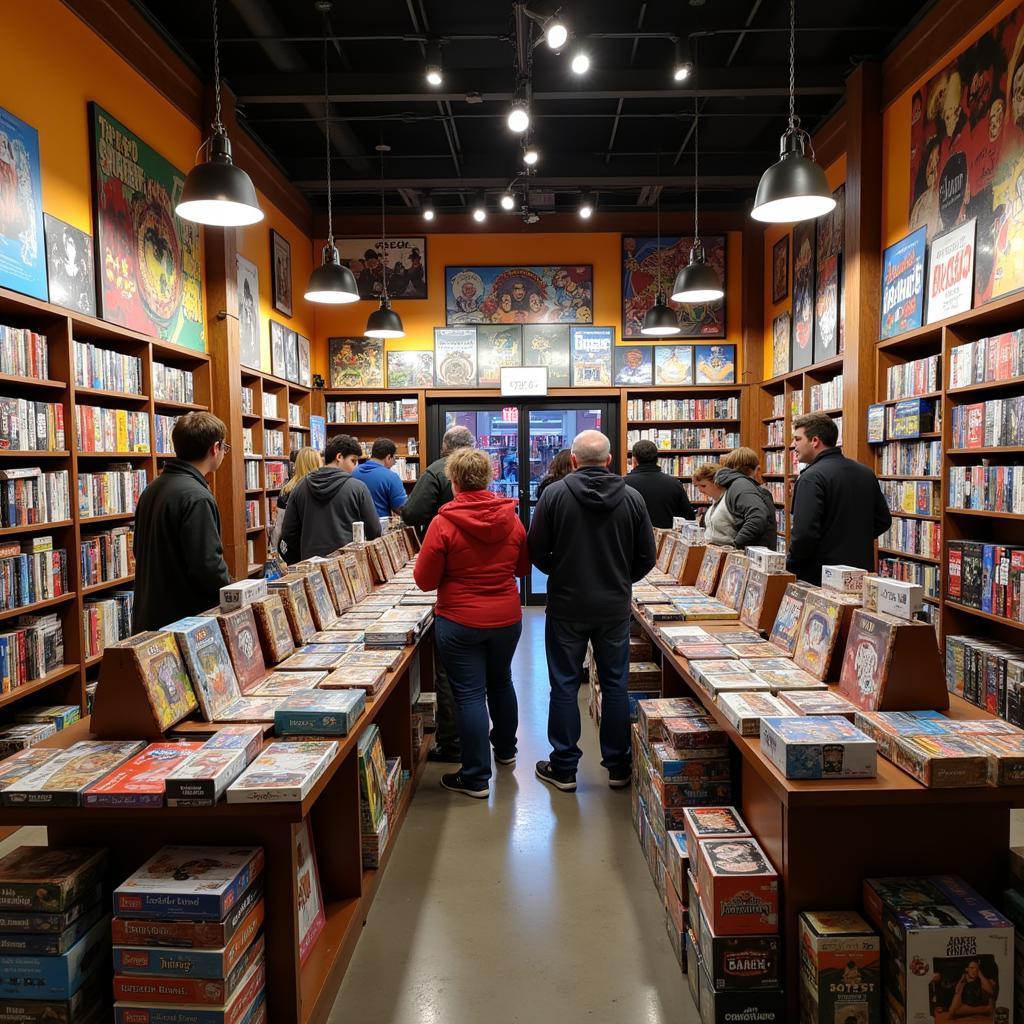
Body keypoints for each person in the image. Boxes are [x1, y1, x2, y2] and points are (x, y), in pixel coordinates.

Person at [528, 430, 656, 792]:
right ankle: (618, 766)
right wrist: (619, 578)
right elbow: (647, 556)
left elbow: (536, 550)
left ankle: (564, 767)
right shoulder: (632, 498)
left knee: (564, 684)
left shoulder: (553, 495)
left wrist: (563, 572)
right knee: (616, 685)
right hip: (613, 606)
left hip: (567, 603)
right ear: (610, 460)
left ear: (573, 460)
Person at [413, 448, 530, 798]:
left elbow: (425, 580)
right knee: (501, 682)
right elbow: (523, 569)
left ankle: (476, 776)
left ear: (454, 482)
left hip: (460, 620)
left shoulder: (443, 522)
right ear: (488, 477)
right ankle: (506, 751)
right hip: (506, 618)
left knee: (468, 695)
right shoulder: (512, 518)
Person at [402, 424, 475, 764]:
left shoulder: (435, 473)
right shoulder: (484, 476)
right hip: (494, 603)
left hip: (451, 588)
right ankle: (501, 746)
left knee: (450, 670)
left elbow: (412, 513)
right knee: (493, 675)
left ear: (445, 447)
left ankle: (453, 742)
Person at [132, 412, 231, 632]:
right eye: (225, 447)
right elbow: (208, 567)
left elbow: (138, 550)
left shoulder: (152, 489)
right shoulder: (197, 496)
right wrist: (235, 592)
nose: (224, 453)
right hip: (186, 623)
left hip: (151, 619)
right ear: (215, 448)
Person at [787, 413, 891, 585]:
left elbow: (804, 534)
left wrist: (790, 565)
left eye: (797, 439)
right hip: (859, 574)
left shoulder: (810, 478)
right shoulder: (865, 473)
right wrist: (852, 538)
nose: (793, 445)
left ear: (814, 440)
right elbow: (883, 520)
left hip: (819, 576)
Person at [279, 434, 381, 562]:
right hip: (348, 564)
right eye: (353, 461)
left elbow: (288, 532)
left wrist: (307, 551)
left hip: (311, 565)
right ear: (339, 457)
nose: (356, 467)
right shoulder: (358, 488)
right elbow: (375, 531)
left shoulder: (300, 487)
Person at [713, 447, 777, 549]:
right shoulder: (742, 485)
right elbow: (757, 517)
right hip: (750, 554)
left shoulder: (731, 485)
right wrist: (735, 545)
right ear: (754, 468)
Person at [625, 439, 695, 528]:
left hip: (633, 539)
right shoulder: (674, 484)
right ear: (656, 459)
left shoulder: (624, 484)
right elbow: (689, 517)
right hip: (665, 539)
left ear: (634, 460)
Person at [269, 446, 322, 552]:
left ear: (297, 464)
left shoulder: (287, 490)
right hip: (321, 545)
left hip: (295, 549)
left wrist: (276, 549)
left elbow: (280, 525)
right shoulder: (325, 486)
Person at [353, 438, 408, 518]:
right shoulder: (391, 477)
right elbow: (401, 508)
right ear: (388, 457)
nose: (394, 463)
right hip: (379, 526)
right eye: (394, 459)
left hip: (355, 526)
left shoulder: (354, 471)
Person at [692, 463, 731, 541]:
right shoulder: (715, 500)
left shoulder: (729, 499)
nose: (700, 490)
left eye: (703, 486)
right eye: (697, 486)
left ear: (717, 482)